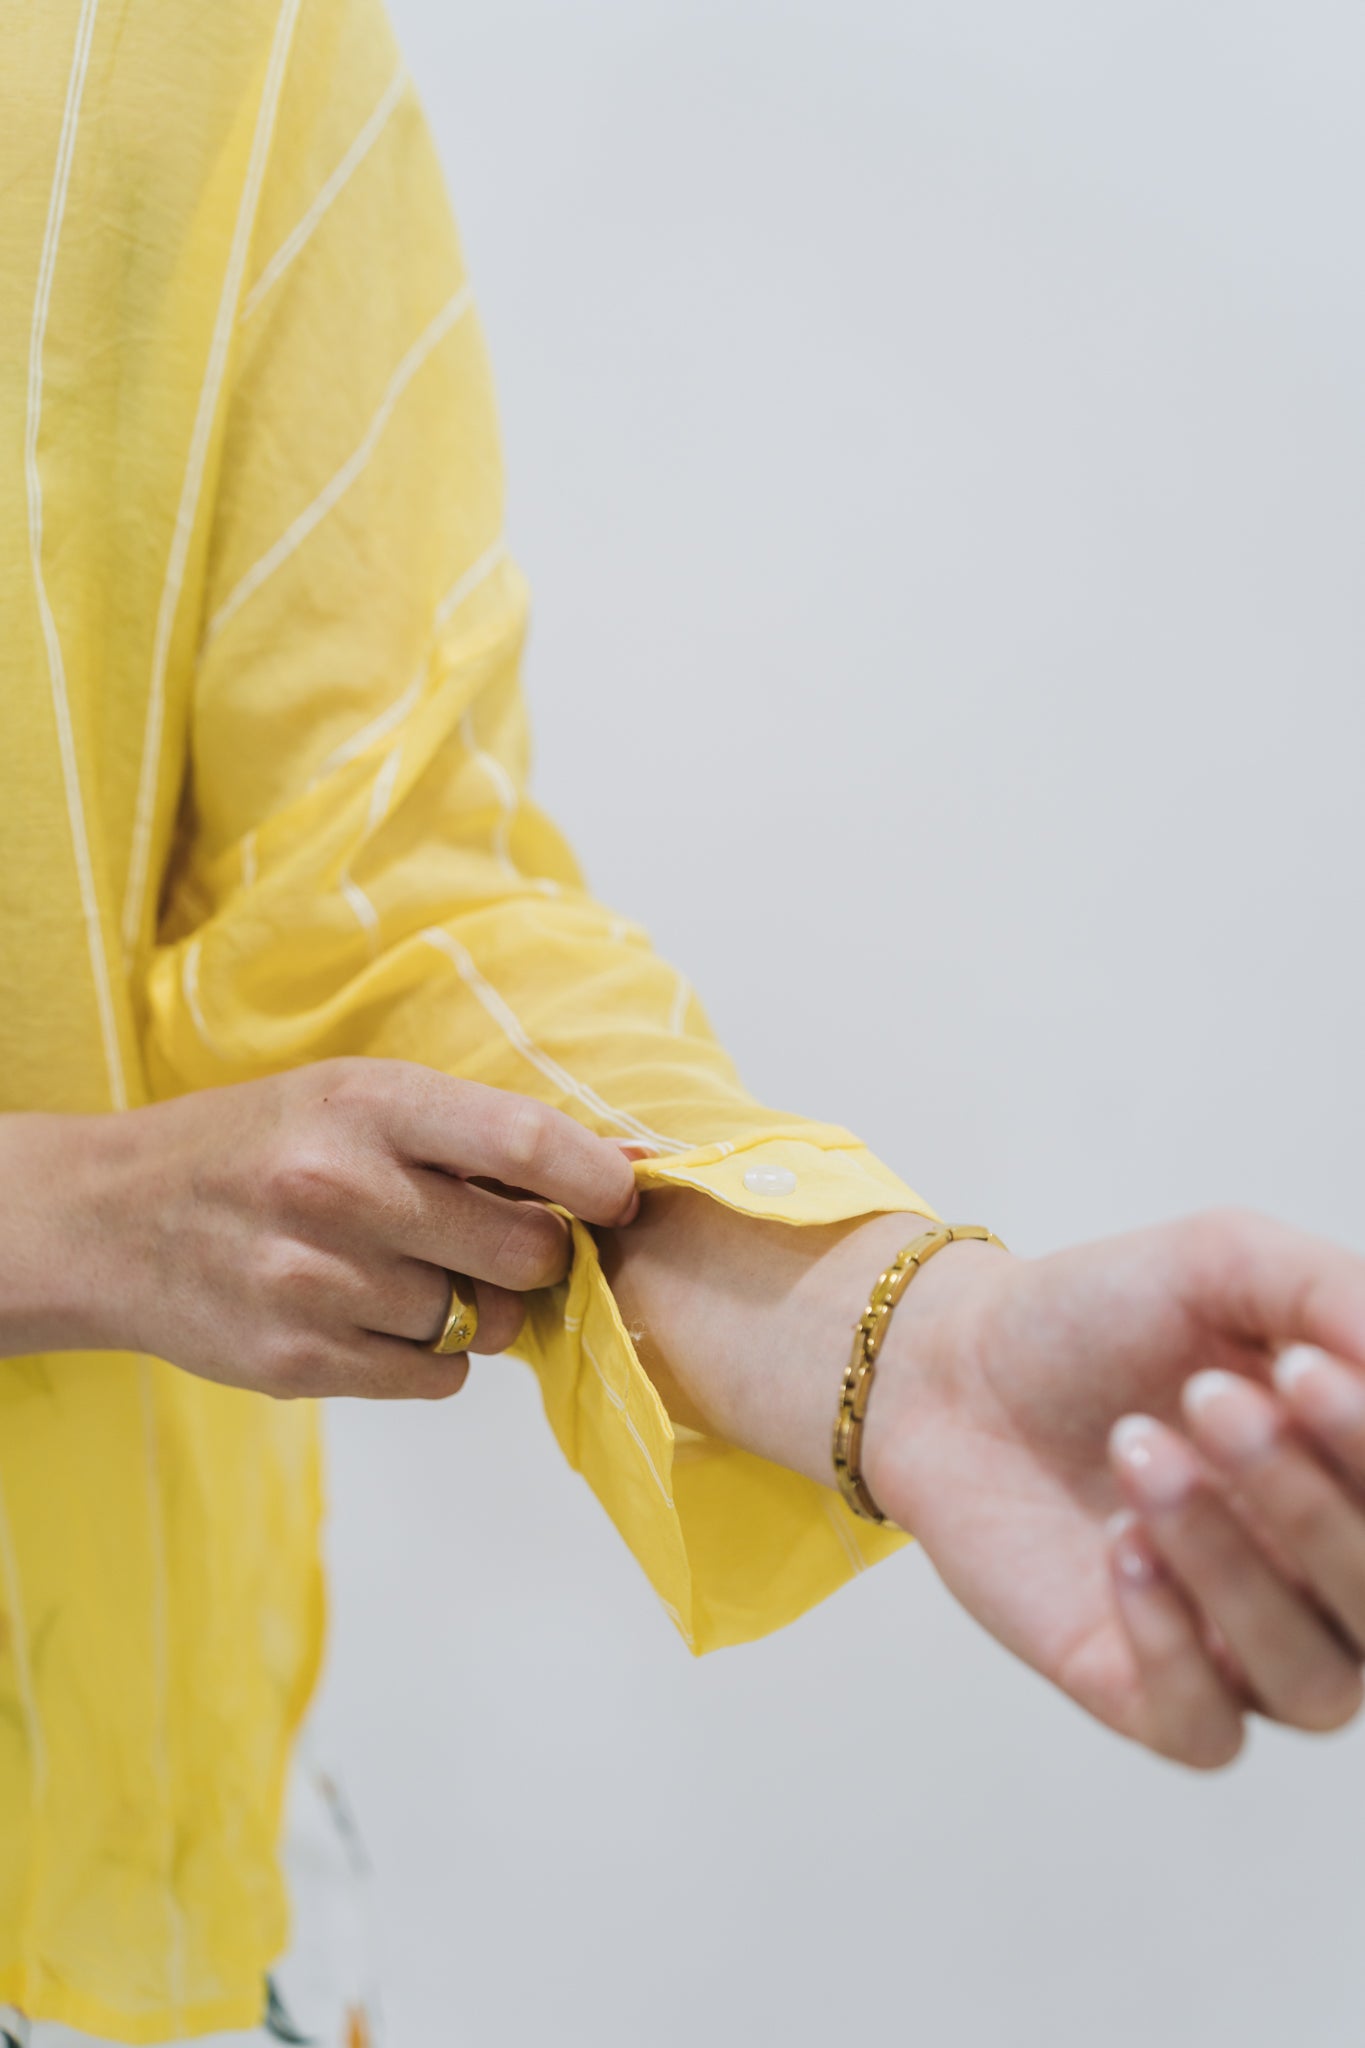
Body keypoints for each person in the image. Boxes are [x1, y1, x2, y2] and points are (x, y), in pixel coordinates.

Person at [4, 1, 1365, 2041]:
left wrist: (904, 1336)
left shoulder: (197, 34)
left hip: (96, 1874)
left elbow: (376, 887)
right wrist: (63, 1212)